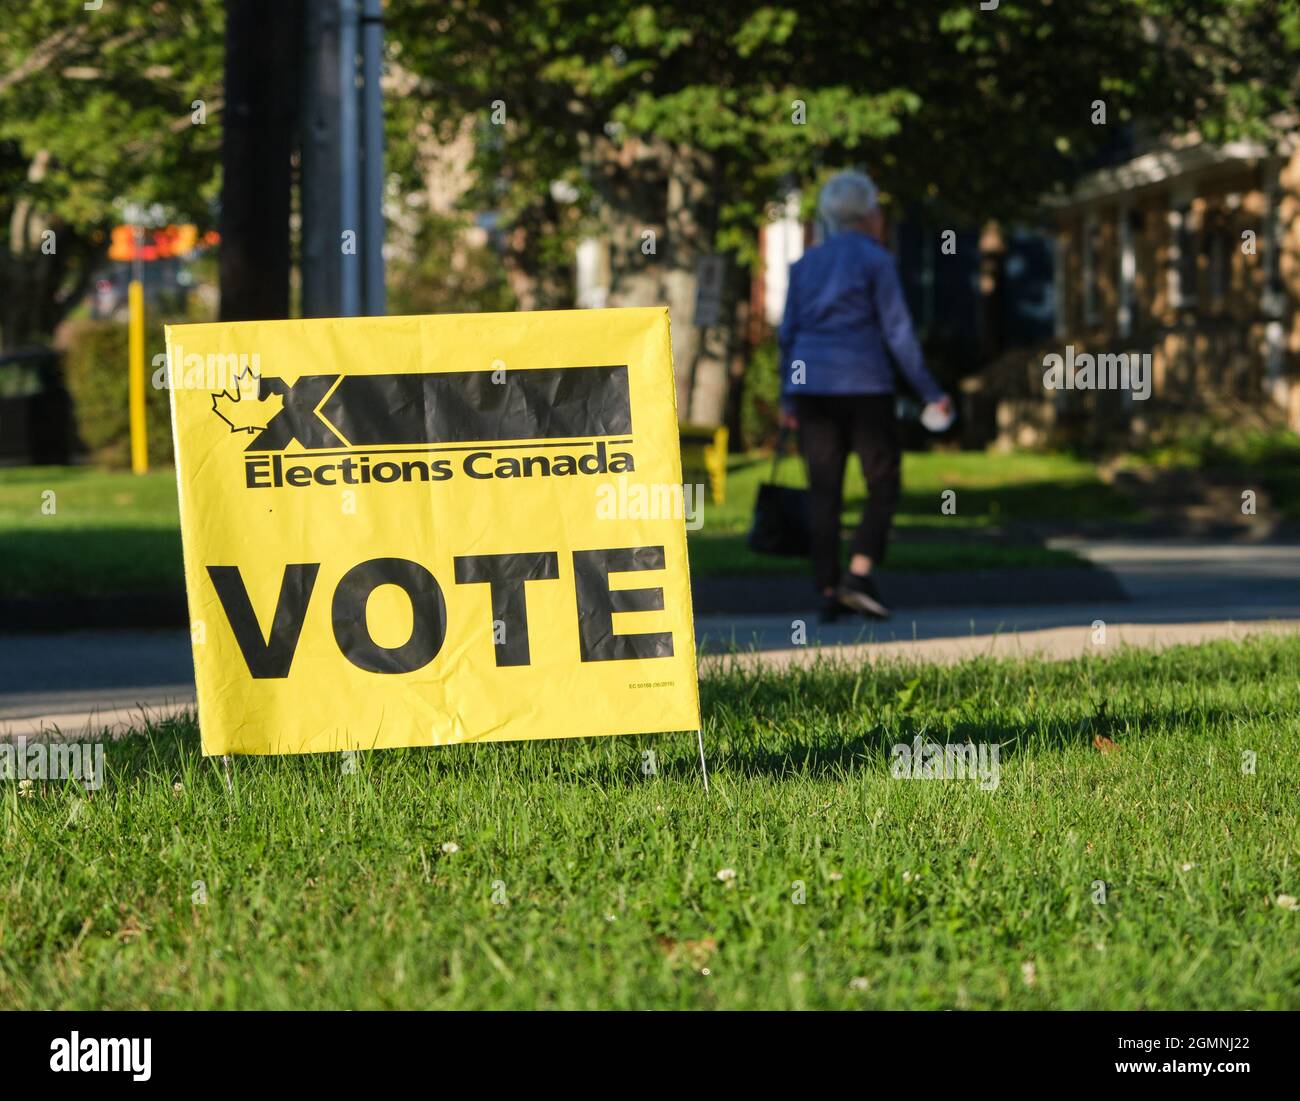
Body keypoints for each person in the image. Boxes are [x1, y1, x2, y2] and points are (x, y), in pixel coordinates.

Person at [778, 170, 951, 622]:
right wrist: (931, 392)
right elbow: (898, 334)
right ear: (868, 214)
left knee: (823, 489)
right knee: (883, 481)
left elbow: (788, 333)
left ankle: (829, 588)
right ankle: (857, 574)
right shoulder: (877, 261)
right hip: (864, 384)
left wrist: (786, 396)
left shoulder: (805, 265)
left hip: (811, 386)